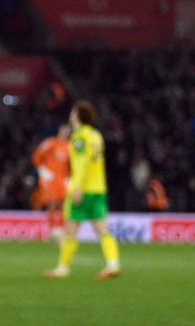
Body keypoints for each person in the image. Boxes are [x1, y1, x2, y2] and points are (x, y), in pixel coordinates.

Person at [44, 100, 121, 280]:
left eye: (72, 113)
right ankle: (113, 263)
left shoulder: (79, 137)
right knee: (102, 228)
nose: (71, 116)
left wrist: (77, 187)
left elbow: (81, 164)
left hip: (83, 189)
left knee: (70, 229)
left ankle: (63, 268)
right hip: (98, 188)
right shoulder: (96, 136)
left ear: (78, 116)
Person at [31, 123, 70, 242]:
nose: (66, 133)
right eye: (64, 130)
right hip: (51, 179)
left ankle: (63, 231)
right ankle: (52, 230)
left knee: (64, 205)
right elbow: (36, 156)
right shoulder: (50, 143)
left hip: (63, 180)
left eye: (68, 131)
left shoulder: (69, 147)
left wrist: (70, 178)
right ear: (60, 131)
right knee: (52, 203)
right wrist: (42, 170)